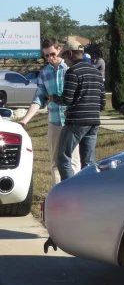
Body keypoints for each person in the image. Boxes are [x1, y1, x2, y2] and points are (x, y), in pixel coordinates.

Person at [18, 38, 81, 186]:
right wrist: (24, 120)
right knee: (55, 162)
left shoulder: (70, 69)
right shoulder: (44, 73)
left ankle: (77, 194)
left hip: (72, 121)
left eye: (52, 53)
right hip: (54, 122)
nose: (50, 58)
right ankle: (58, 196)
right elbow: (38, 99)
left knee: (73, 160)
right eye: (46, 55)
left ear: (59, 49)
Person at [55, 41, 106, 181]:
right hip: (94, 122)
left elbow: (67, 100)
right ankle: (89, 191)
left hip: (76, 122)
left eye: (65, 58)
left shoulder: (73, 72)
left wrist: (53, 98)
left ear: (70, 54)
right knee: (89, 162)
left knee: (63, 158)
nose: (65, 62)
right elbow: (102, 103)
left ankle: (69, 191)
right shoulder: (96, 72)